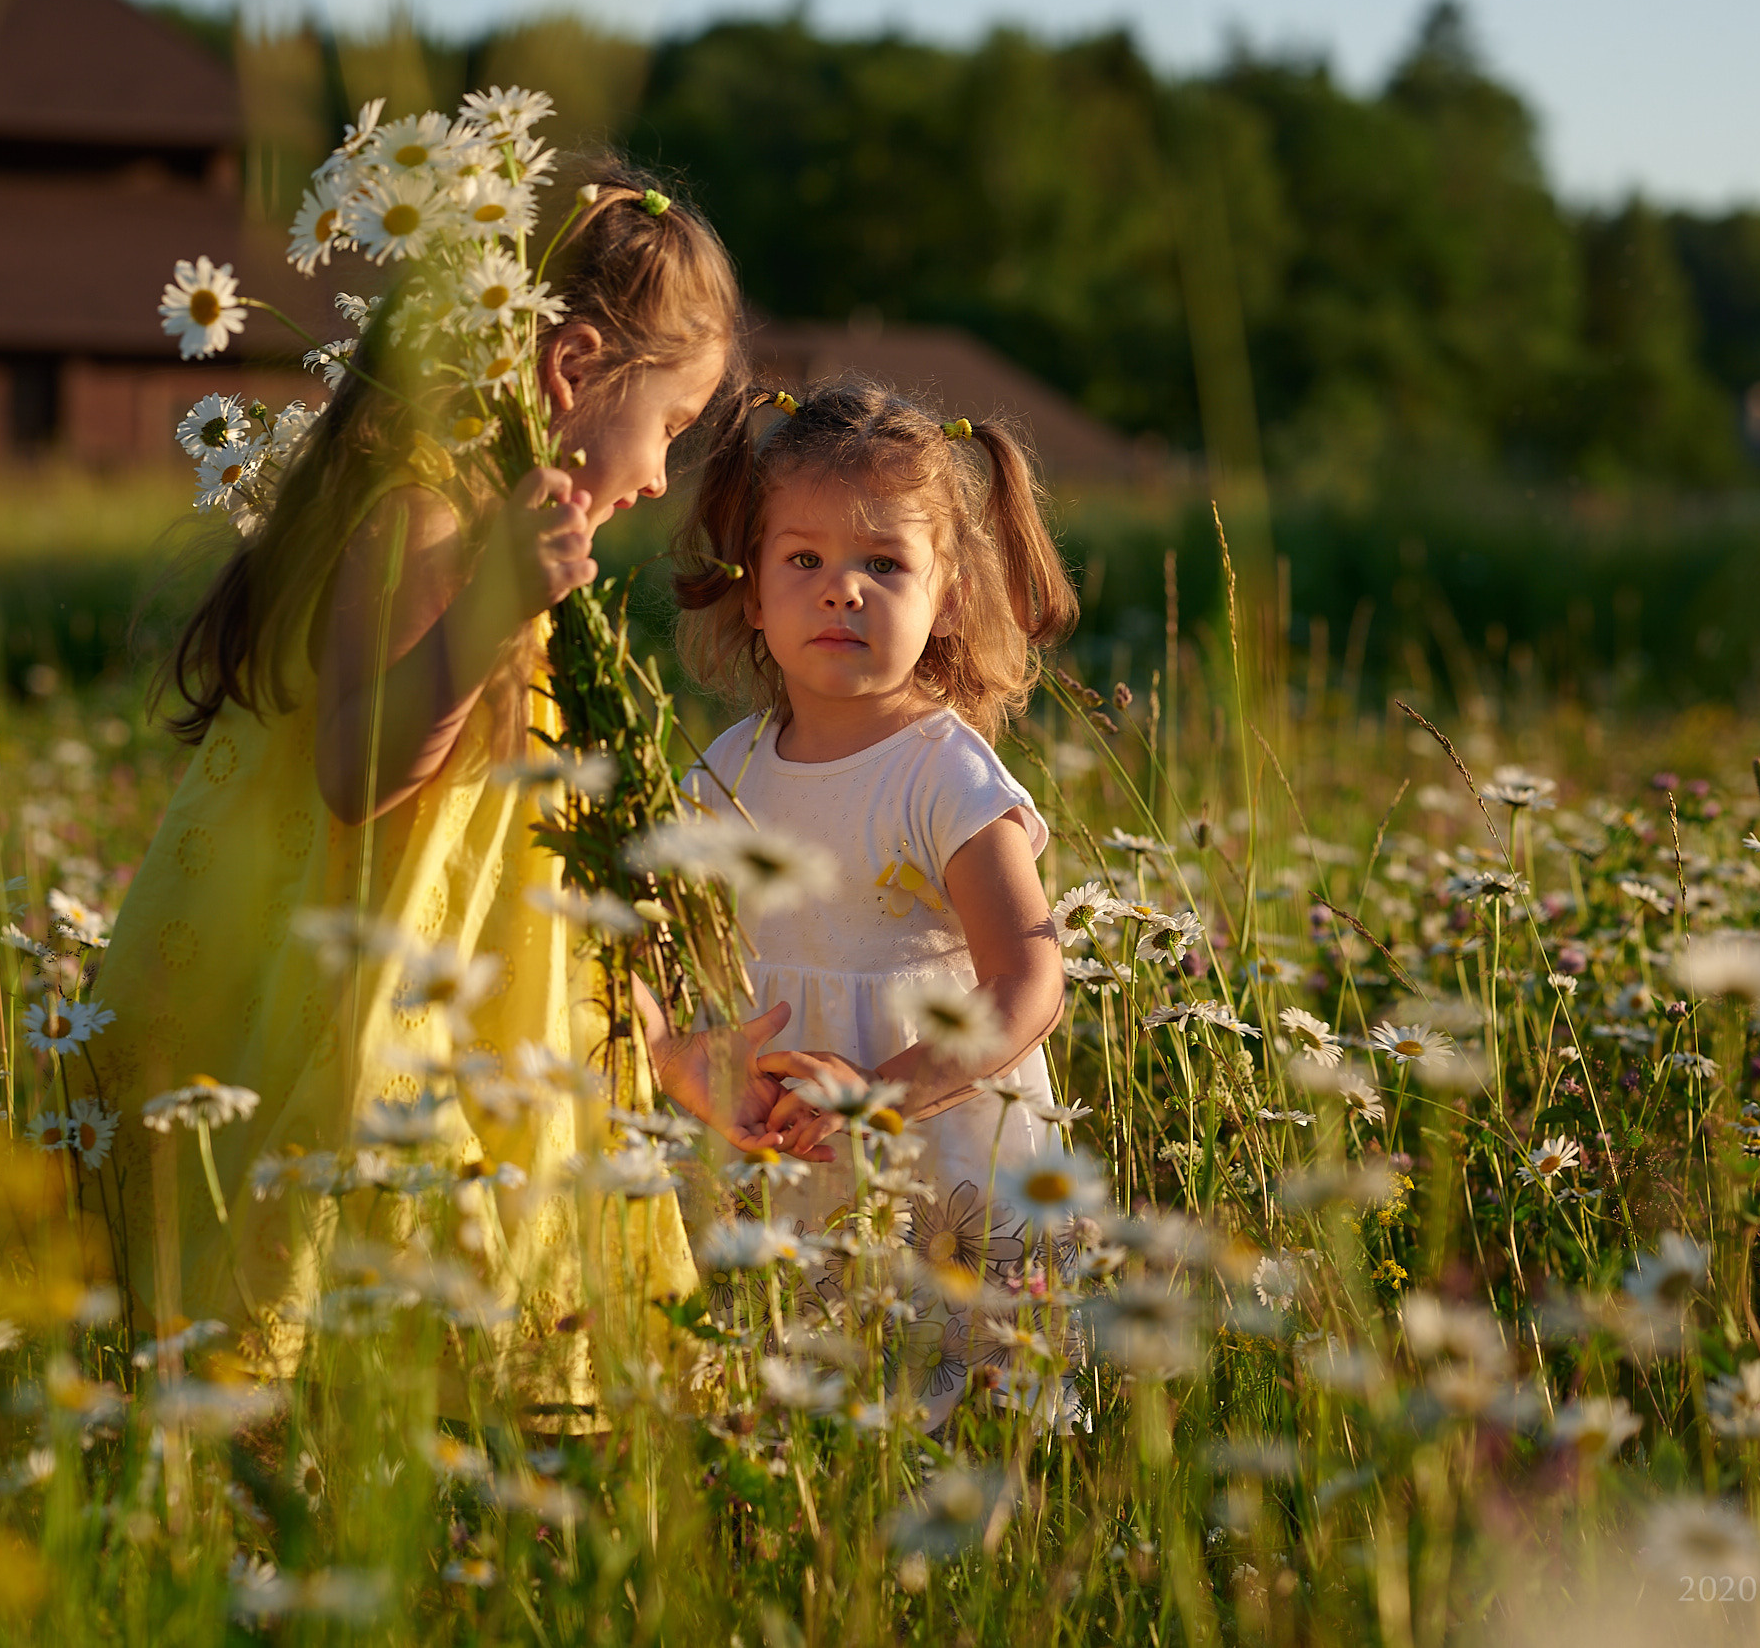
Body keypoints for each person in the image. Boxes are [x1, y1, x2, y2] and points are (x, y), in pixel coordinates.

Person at [87, 163, 801, 1406]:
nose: (653, 480)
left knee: (479, 1344)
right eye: (671, 429)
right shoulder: (423, 502)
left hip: (488, 1017)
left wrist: (654, 1051)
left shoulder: (492, 518)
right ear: (571, 368)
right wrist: (493, 606)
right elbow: (359, 772)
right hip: (382, 1013)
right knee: (367, 1338)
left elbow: (535, 869)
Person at [670, 375, 1079, 1408]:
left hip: (934, 1152)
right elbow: (668, 956)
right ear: (751, 589)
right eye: (803, 559)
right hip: (782, 1150)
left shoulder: (942, 773)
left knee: (963, 1422)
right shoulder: (724, 772)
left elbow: (1028, 980)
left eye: (883, 564)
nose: (841, 589)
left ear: (946, 594)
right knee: (800, 1416)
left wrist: (881, 1099)